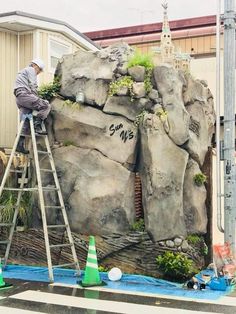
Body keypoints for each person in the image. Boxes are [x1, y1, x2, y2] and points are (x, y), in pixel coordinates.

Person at [14, 58, 51, 154]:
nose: (38, 73)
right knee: (45, 105)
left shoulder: (22, 72)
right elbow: (33, 85)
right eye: (39, 70)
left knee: (25, 119)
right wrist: (38, 98)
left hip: (20, 98)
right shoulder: (30, 70)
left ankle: (19, 144)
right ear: (35, 66)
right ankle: (37, 126)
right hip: (25, 95)